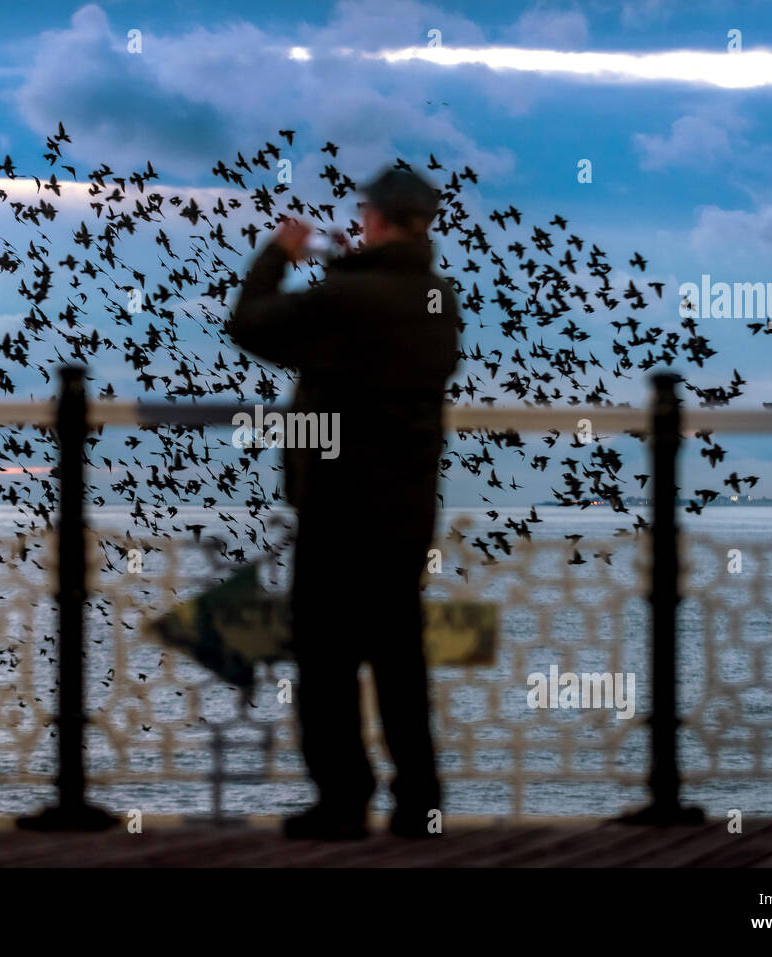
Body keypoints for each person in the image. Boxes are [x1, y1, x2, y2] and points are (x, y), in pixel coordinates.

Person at [225, 166, 460, 839]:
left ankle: (342, 799)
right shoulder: (437, 297)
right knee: (398, 654)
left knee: (326, 656)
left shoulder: (349, 294)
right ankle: (420, 800)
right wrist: (349, 272)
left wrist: (281, 254)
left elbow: (250, 324)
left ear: (377, 219)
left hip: (337, 500)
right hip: (407, 504)